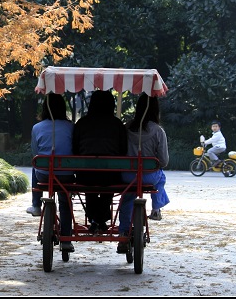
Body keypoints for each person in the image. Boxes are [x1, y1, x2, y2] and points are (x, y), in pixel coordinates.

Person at [117, 93, 170, 252]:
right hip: (148, 177)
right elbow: (164, 161)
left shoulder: (126, 128)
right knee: (161, 176)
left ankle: (123, 232)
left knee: (127, 197)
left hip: (127, 176)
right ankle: (156, 207)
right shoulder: (158, 131)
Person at [72, 89, 128, 235]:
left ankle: (94, 219)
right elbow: (123, 149)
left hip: (85, 174)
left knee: (89, 189)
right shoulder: (117, 124)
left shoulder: (82, 123)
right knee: (107, 189)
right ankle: (99, 219)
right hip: (110, 175)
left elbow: (75, 149)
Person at [28, 93, 76, 252]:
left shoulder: (37, 128)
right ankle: (67, 238)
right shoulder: (71, 127)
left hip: (44, 174)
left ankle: (36, 204)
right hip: (65, 174)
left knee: (36, 166)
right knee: (65, 199)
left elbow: (35, 153)